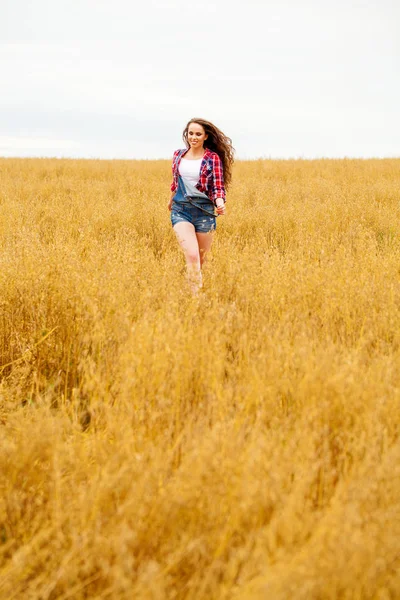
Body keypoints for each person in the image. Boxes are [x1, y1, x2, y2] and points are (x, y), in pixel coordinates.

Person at [168, 118, 234, 293]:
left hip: (204, 211)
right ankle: (194, 299)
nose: (193, 137)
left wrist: (220, 203)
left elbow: (218, 186)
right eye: (191, 133)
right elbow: (175, 183)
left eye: (198, 134)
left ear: (205, 136)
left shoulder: (212, 158)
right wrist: (170, 200)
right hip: (180, 209)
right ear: (186, 135)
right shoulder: (178, 155)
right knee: (192, 255)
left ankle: (194, 291)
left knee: (200, 261)